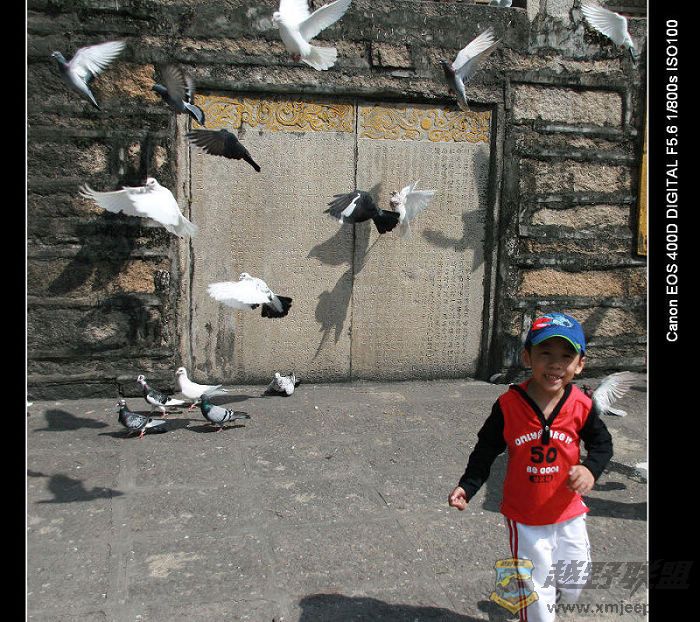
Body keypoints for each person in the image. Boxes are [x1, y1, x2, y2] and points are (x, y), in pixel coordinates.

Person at [448, 312, 613, 621]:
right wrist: (468, 486)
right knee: (536, 588)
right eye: (545, 353)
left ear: (580, 364)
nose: (555, 364)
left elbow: (603, 444)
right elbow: (485, 450)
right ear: (528, 357)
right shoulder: (508, 406)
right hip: (526, 517)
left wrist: (590, 469)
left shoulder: (581, 405)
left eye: (566, 356)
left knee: (576, 581)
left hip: (568, 510)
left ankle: (551, 596)